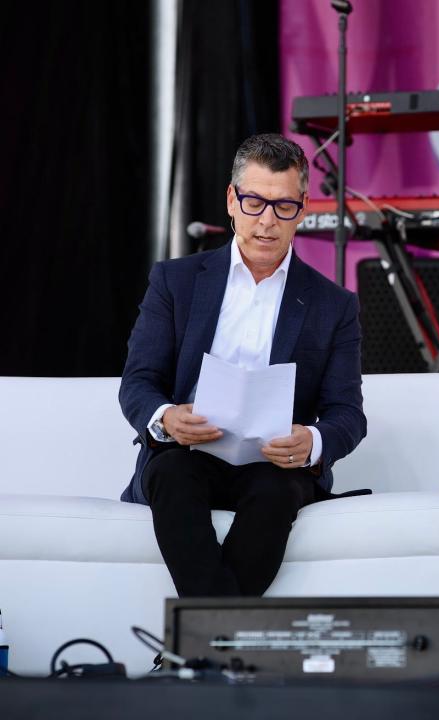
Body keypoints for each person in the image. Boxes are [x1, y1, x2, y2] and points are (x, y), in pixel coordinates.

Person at [119, 133, 366, 597]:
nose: (267, 222)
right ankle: (219, 644)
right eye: (254, 203)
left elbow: (347, 415)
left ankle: (198, 652)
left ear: (303, 208)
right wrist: (167, 418)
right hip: (186, 454)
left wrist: (310, 441)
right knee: (171, 474)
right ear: (232, 201)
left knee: (276, 492)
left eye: (283, 207)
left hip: (273, 466)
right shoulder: (176, 282)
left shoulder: (333, 305)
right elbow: (139, 382)